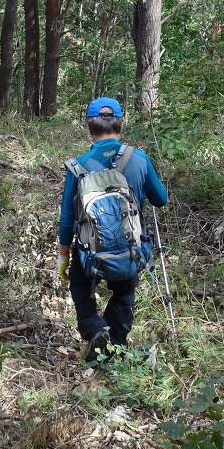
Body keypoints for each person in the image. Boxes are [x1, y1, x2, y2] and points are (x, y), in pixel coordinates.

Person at [56, 97, 168, 363]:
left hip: (89, 252)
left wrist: (63, 256)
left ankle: (94, 329)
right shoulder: (139, 159)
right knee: (124, 292)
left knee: (80, 283)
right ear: (120, 125)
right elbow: (161, 199)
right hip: (130, 248)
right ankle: (113, 347)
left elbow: (68, 217)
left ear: (89, 127)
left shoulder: (78, 165)